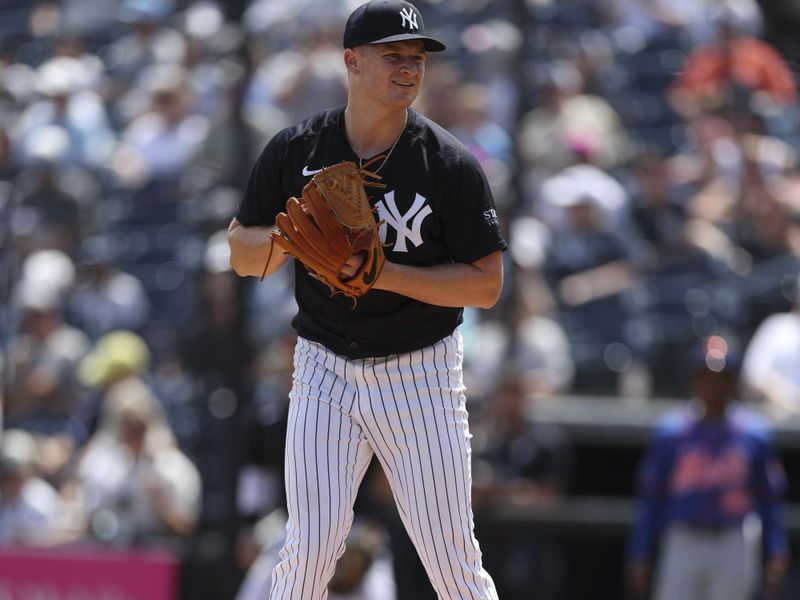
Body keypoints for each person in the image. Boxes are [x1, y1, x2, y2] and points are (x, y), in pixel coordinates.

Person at [227, 1, 505, 598]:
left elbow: (486, 284)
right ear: (351, 60)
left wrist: (380, 273)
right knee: (307, 550)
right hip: (324, 366)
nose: (409, 68)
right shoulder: (295, 149)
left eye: (416, 57)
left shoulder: (450, 163)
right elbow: (242, 254)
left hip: (420, 373)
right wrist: (291, 240)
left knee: (452, 561)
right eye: (393, 55)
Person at [626, 335, 790, 600]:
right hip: (683, 537)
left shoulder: (754, 434)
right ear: (693, 381)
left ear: (734, 382)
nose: (713, 386)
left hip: (733, 538)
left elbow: (769, 500)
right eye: (705, 377)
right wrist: (640, 552)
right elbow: (651, 499)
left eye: (721, 378)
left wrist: (776, 551)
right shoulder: (671, 433)